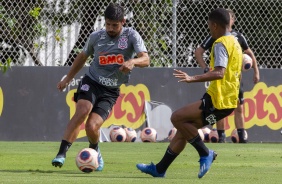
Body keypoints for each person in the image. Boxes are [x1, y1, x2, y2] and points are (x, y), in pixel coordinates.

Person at [136, 8, 242, 178]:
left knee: (176, 118)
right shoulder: (235, 42)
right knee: (184, 130)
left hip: (218, 99)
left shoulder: (221, 43)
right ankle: (160, 169)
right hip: (228, 102)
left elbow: (219, 73)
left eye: (209, 26)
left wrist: (192, 78)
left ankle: (205, 153)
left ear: (214, 25)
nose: (209, 29)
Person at [51, 3, 150, 170]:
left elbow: (146, 59)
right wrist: (68, 78)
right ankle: (61, 154)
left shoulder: (131, 36)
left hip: (111, 91)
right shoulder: (96, 37)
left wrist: (133, 61)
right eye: (108, 24)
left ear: (123, 21)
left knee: (92, 126)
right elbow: (82, 57)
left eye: (115, 25)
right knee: (82, 111)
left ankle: (95, 149)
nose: (110, 28)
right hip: (92, 81)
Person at [195, 9, 260, 143]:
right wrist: (206, 69)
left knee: (238, 107)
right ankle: (221, 136)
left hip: (234, 82)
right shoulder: (216, 36)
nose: (228, 19)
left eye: (230, 17)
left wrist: (256, 70)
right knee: (218, 109)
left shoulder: (238, 37)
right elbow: (198, 51)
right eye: (226, 16)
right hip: (219, 82)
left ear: (232, 20)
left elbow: (249, 53)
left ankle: (241, 137)